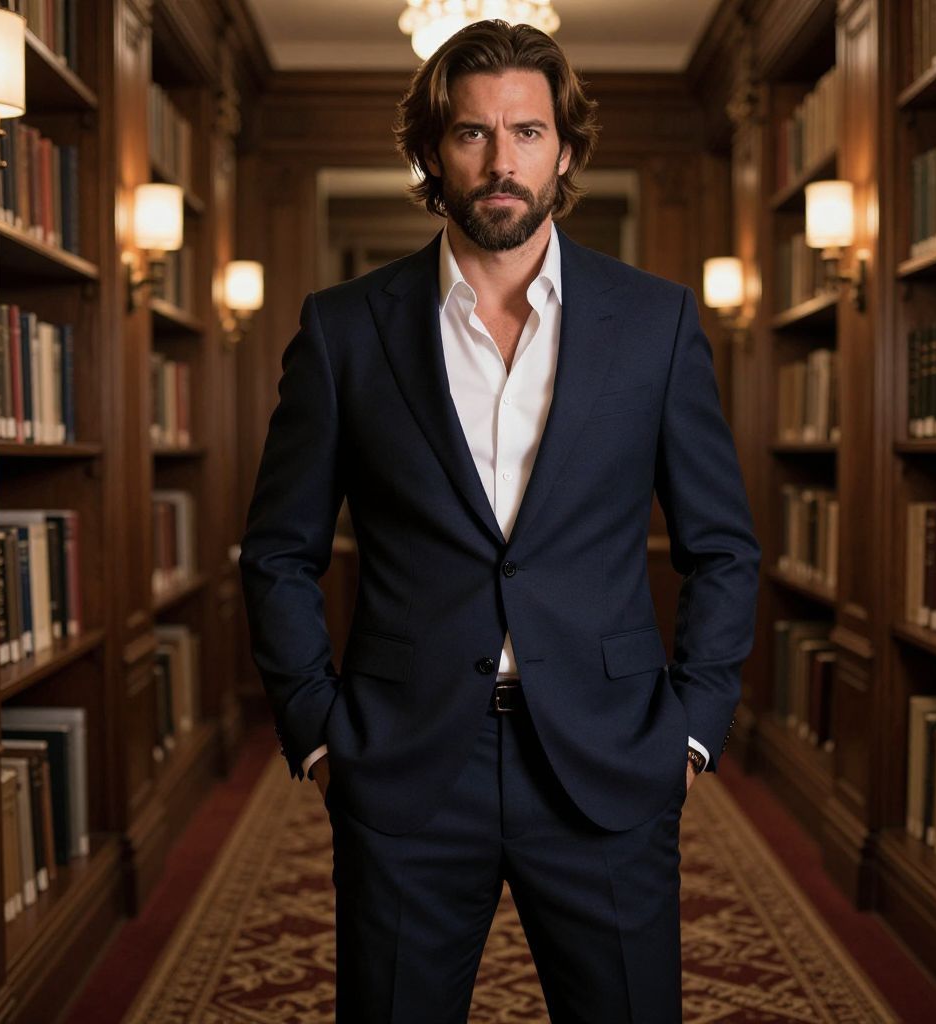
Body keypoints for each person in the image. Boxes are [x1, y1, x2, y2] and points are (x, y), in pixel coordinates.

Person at [239, 18, 760, 1023]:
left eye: (526, 131)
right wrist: (316, 731)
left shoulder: (655, 322)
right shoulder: (346, 329)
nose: (501, 159)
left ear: (565, 150)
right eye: (473, 133)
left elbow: (723, 549)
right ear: (433, 153)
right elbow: (277, 552)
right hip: (403, 767)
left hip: (609, 762)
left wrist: (689, 735)